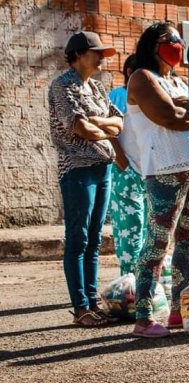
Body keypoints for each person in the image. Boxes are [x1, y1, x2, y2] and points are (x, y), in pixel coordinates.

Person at [120, 22, 189, 338]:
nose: (177, 44)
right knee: (158, 241)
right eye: (170, 39)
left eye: (179, 39)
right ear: (152, 45)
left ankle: (177, 310)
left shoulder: (180, 82)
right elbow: (167, 117)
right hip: (165, 172)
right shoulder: (142, 78)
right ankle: (143, 318)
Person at [48, 31, 123, 327]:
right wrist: (101, 127)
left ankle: (93, 302)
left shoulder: (97, 87)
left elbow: (119, 122)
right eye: (97, 53)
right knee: (77, 239)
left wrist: (99, 125)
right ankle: (80, 308)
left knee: (94, 239)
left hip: (103, 166)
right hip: (77, 168)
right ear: (79, 54)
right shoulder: (62, 86)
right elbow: (80, 128)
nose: (102, 58)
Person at [108, 54, 148, 275]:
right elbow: (109, 132)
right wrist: (122, 162)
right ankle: (129, 287)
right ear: (130, 72)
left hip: (150, 171)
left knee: (149, 230)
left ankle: (147, 284)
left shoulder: (152, 97)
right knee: (130, 231)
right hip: (128, 170)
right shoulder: (118, 95)